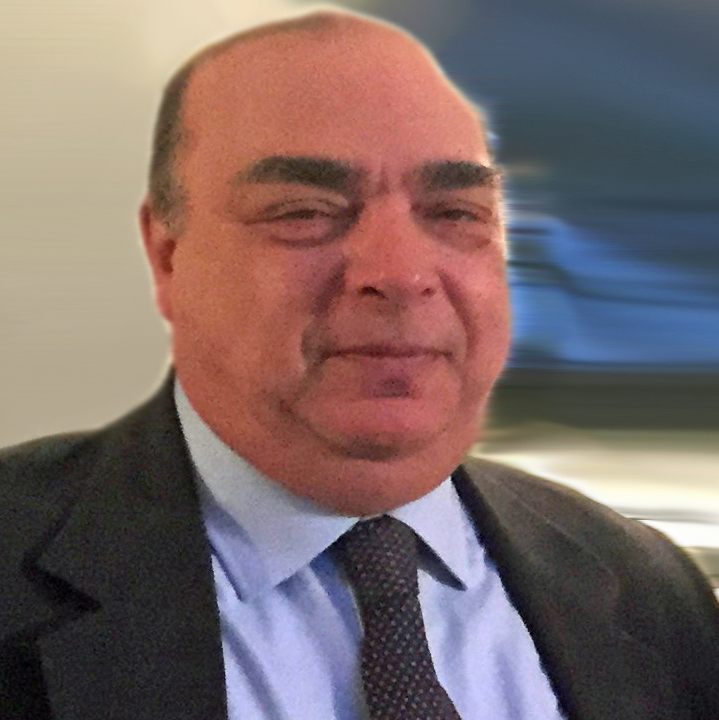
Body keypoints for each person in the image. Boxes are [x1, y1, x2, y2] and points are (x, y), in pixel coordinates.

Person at [1, 9, 718, 720]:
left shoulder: (650, 590)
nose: (400, 273)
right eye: (303, 211)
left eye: (454, 212)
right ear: (167, 255)